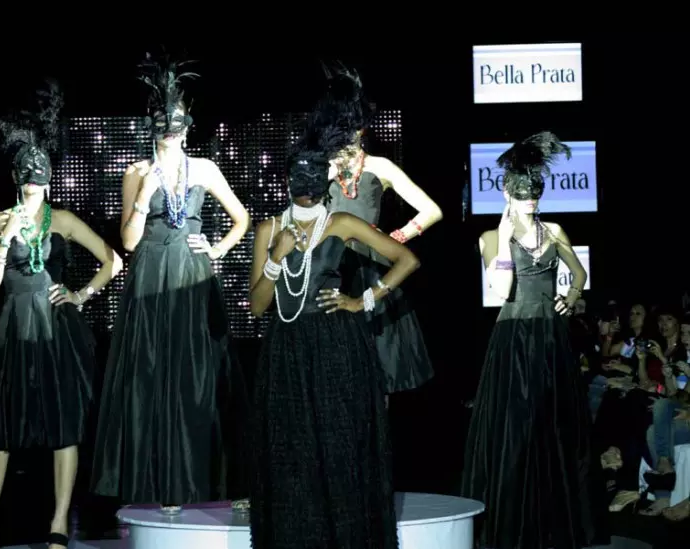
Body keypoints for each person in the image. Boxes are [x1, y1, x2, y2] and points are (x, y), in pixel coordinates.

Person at [91, 53, 250, 513]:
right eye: (163, 123)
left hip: (192, 277)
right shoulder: (136, 172)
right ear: (153, 125)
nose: (171, 131)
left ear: (187, 126)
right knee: (155, 376)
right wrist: (144, 195)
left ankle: (222, 481)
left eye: (177, 123)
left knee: (203, 375)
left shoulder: (204, 168)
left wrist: (216, 250)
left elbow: (241, 218)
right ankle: (166, 486)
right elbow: (128, 241)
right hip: (150, 279)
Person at [248, 142, 418, 549]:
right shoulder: (269, 229)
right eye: (299, 176)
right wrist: (276, 257)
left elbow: (406, 260)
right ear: (288, 181)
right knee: (292, 449)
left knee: (340, 444)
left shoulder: (340, 222)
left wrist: (363, 300)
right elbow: (256, 306)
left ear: (324, 182)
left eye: (313, 175)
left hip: (336, 347)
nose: (306, 184)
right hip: (287, 350)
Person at [0, 80, 123, 549]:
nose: (33, 182)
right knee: (0, 425)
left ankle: (59, 522)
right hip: (14, 327)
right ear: (15, 177)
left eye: (40, 176)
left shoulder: (61, 220)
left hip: (56, 328)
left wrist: (81, 295)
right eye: (26, 175)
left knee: (64, 424)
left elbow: (114, 260)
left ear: (50, 179)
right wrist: (5, 239)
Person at [461, 132, 596, 549]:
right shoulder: (489, 238)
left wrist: (571, 296)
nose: (531, 200)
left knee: (553, 425)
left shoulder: (554, 230)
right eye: (522, 194)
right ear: (506, 192)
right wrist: (504, 236)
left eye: (535, 192)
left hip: (552, 338)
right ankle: (513, 523)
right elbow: (502, 290)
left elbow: (580, 273)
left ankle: (556, 521)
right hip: (514, 338)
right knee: (516, 429)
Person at [303, 64, 441, 394]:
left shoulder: (380, 167)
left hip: (370, 268)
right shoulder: (319, 168)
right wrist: (324, 176)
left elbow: (432, 210)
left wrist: (397, 237)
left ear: (361, 129)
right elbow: (298, 215)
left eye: (352, 128)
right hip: (328, 265)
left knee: (378, 368)